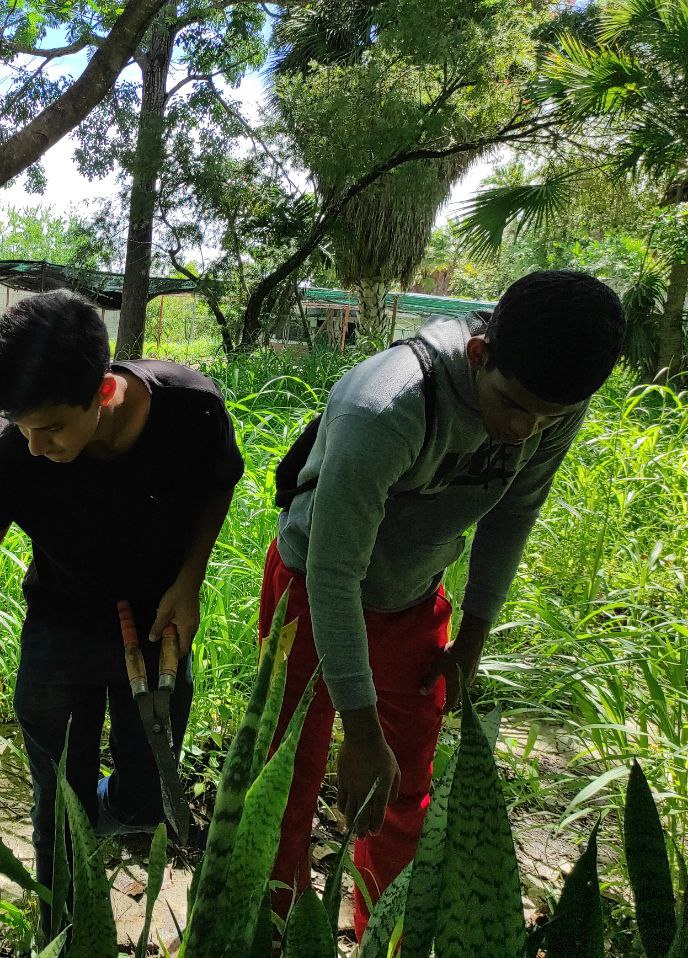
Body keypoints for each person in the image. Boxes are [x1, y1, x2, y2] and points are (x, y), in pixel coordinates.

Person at [264, 270, 625, 937]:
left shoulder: (549, 401)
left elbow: (513, 513)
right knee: (289, 779)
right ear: (481, 355)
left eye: (547, 418)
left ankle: (388, 936)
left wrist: (472, 641)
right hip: (311, 595)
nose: (524, 431)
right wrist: (361, 730)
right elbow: (333, 569)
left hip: (414, 599)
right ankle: (267, 933)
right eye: (513, 406)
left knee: (406, 791)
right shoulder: (387, 407)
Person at [0, 290, 244, 891]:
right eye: (21, 428)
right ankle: (63, 919)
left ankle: (108, 819)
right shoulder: (8, 454)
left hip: (157, 623)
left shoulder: (191, 410)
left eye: (49, 429)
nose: (35, 448)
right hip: (60, 626)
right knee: (57, 806)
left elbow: (217, 484)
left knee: (146, 797)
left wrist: (191, 578)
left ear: (102, 392)